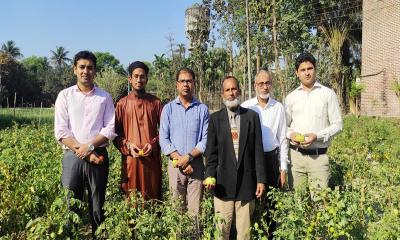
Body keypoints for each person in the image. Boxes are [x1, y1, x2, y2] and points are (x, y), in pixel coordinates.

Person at [54, 50, 116, 237]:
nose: (85, 71)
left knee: (98, 206)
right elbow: (61, 131)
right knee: (70, 205)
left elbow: (109, 129)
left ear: (95, 71)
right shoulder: (65, 96)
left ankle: (99, 235)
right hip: (73, 156)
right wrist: (85, 151)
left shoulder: (104, 97)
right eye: (82, 67)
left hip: (99, 156)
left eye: (90, 68)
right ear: (74, 69)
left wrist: (89, 147)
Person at [204, 76, 266, 240]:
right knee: (222, 232)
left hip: (246, 184)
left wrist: (260, 179)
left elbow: (258, 151)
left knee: (244, 234)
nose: (231, 93)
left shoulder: (251, 117)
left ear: (239, 91)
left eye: (234, 89)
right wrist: (210, 175)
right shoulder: (216, 119)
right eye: (227, 90)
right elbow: (211, 153)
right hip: (223, 185)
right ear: (222, 94)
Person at [285, 52, 342, 193]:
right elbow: (283, 126)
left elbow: (338, 124)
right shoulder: (291, 97)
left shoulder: (328, 94)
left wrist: (317, 136)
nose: (307, 73)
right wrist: (291, 135)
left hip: (319, 157)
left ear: (315, 69)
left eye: (310, 69)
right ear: (296, 73)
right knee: (297, 202)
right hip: (296, 158)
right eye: (302, 70)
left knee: (320, 203)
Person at [241, 69, 288, 239]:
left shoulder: (279, 107)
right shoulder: (246, 107)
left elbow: (283, 139)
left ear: (271, 84)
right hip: (251, 161)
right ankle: (250, 234)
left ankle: (271, 235)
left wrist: (283, 169)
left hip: (271, 160)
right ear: (255, 86)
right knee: (249, 201)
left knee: (271, 204)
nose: (264, 86)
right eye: (261, 83)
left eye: (267, 83)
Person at [159, 67, 209, 217]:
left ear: (194, 84)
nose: (186, 84)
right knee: (176, 210)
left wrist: (188, 158)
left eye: (189, 81)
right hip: (175, 166)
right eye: (182, 81)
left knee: (195, 212)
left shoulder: (202, 109)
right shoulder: (168, 109)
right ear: (177, 84)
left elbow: (205, 139)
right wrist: (180, 160)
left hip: (196, 166)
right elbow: (164, 138)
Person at [113, 61, 162, 201]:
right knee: (132, 200)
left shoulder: (156, 103)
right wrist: (128, 145)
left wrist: (153, 144)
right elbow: (115, 134)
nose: (139, 80)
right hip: (131, 160)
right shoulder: (122, 104)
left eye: (142, 76)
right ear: (130, 79)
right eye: (135, 76)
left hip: (151, 160)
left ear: (147, 79)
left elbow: (165, 131)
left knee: (153, 200)